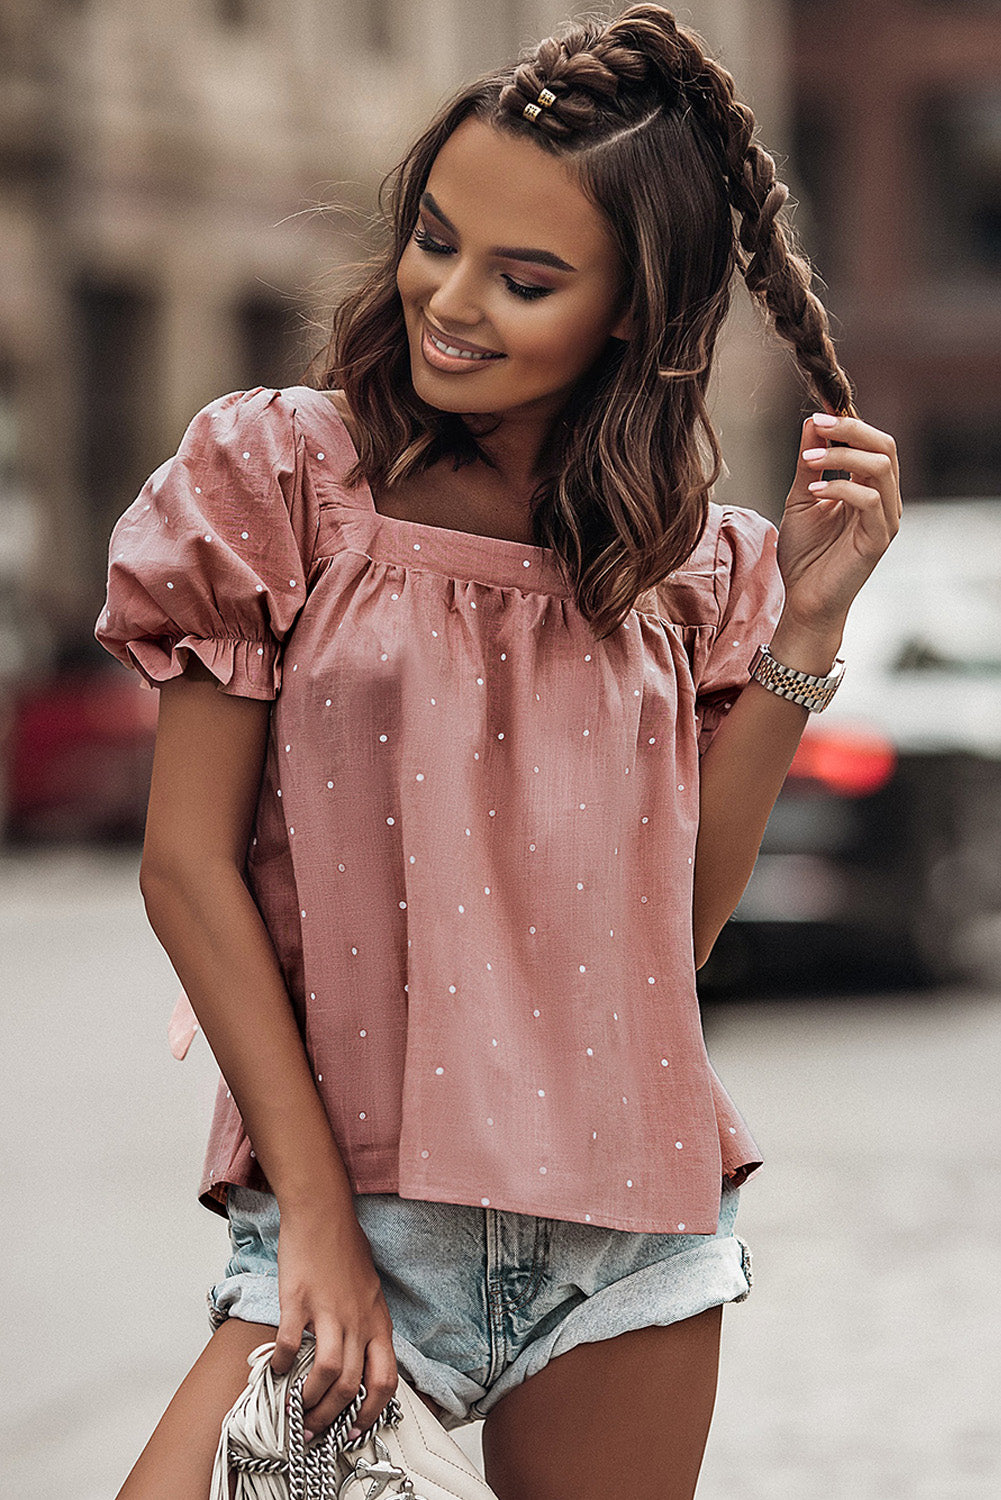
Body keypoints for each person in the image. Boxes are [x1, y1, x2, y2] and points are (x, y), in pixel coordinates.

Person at [95, 6, 901, 1497]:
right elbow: (184, 867)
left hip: (627, 1239)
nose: (448, 301)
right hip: (351, 1222)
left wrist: (807, 613)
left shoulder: (692, 569)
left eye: (523, 278)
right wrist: (318, 1224)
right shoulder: (277, 476)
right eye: (436, 239)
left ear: (632, 314)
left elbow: (680, 929)